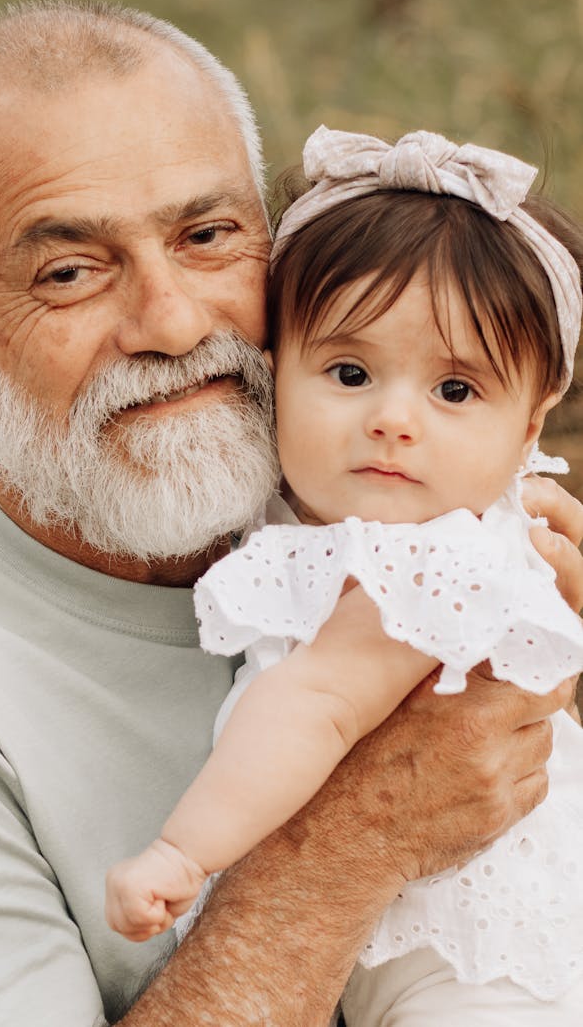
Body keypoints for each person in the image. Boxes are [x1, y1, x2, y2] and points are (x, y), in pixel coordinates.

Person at [0, 0, 581, 1027]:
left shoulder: (378, 495)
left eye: (207, 235)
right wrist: (349, 847)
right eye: (71, 270)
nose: (170, 323)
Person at [104, 129, 583, 1023]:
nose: (394, 419)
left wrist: (182, 854)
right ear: (272, 370)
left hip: (480, 959)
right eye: (351, 372)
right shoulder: (365, 519)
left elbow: (315, 702)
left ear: (531, 424)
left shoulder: (421, 560)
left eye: (456, 391)